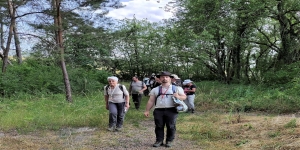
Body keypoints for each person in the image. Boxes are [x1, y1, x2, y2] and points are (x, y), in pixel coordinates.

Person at [144, 71, 186, 148]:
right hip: (158, 110)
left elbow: (184, 97)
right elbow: (151, 101)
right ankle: (159, 140)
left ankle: (169, 140)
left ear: (170, 78)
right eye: (162, 77)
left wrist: (178, 97)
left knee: (171, 126)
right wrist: (147, 110)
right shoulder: (155, 89)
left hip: (172, 110)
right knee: (159, 126)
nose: (164, 78)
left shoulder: (177, 88)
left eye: (166, 77)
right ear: (159, 78)